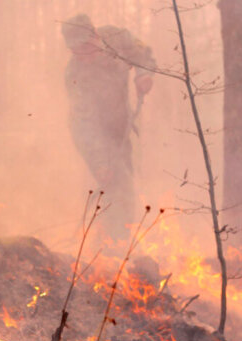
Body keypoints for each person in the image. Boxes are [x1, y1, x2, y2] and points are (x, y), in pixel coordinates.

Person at [61, 14, 155, 241]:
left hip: (119, 126)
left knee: (126, 183)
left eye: (84, 47)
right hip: (92, 136)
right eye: (75, 51)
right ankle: (112, 244)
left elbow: (142, 52)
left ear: (94, 35)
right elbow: (85, 125)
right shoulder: (75, 74)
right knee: (114, 183)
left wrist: (143, 74)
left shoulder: (116, 37)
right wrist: (100, 161)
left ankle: (120, 238)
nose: (82, 55)